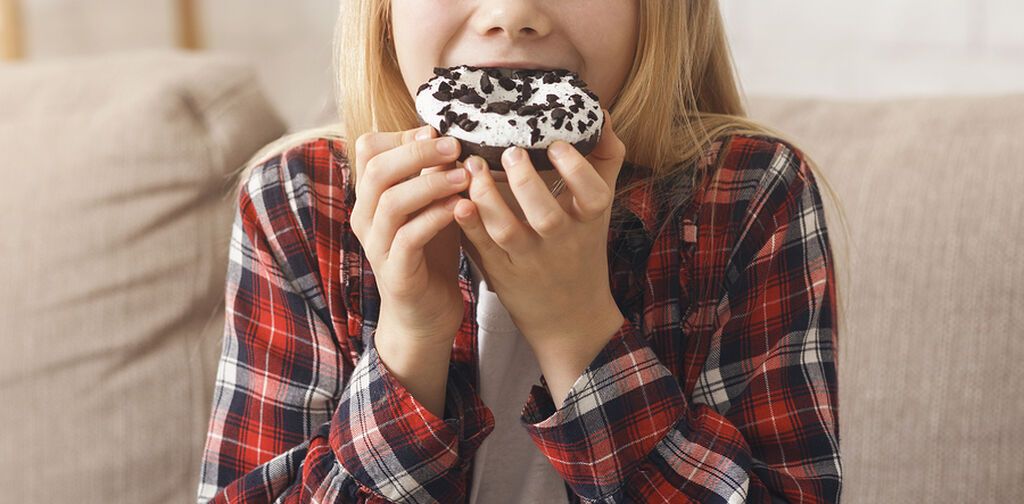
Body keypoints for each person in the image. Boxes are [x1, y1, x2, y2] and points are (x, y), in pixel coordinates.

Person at [196, 0, 849, 502]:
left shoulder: (748, 194)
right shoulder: (302, 202)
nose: (512, 15)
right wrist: (411, 338)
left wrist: (579, 327)